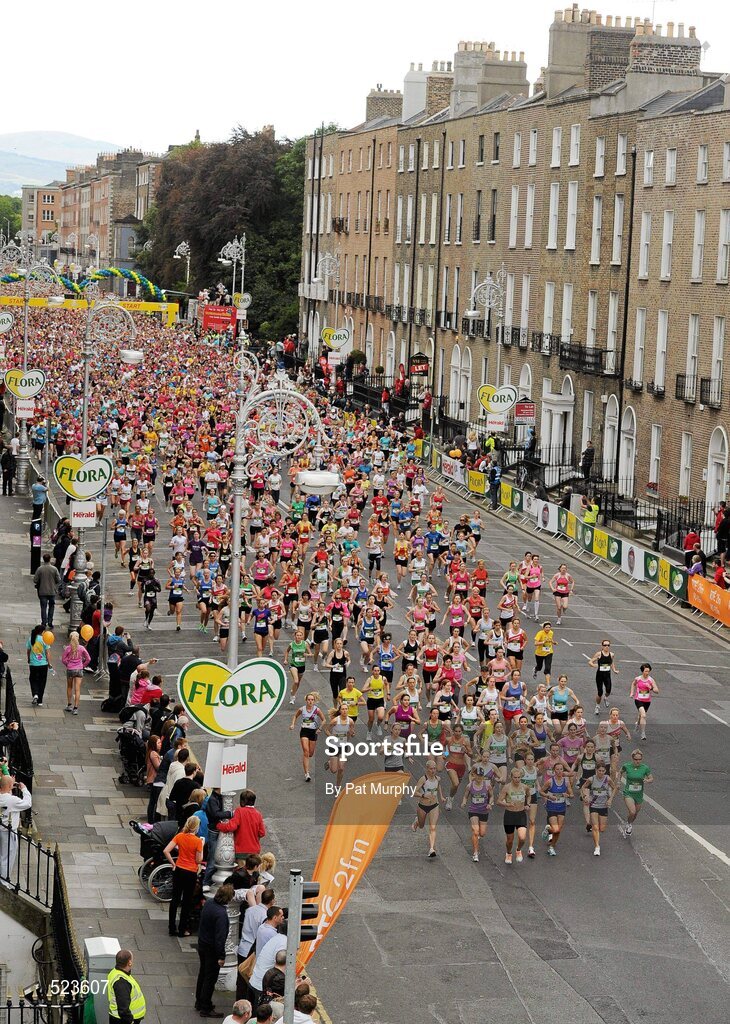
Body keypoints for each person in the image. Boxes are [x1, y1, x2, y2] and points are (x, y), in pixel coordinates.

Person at [196, 884, 235, 1018]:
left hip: (202, 944)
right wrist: (221, 956)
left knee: (203, 973)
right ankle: (205, 1008)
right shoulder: (221, 914)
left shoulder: (209, 903)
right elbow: (220, 938)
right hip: (212, 949)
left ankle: (199, 1001)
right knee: (210, 978)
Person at [164, 815, 204, 937]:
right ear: (196, 827)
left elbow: (166, 850)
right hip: (190, 872)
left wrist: (173, 863)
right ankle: (182, 930)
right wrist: (201, 849)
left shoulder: (179, 836)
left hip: (179, 869)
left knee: (175, 900)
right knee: (186, 902)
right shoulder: (198, 841)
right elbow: (198, 860)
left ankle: (171, 928)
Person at [218, 789, 266, 862]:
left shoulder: (239, 811)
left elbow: (231, 827)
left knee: (242, 871)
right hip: (254, 851)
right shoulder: (258, 814)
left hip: (241, 850)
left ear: (243, 802)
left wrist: (219, 825)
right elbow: (262, 833)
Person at [0, 775, 33, 881]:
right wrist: (24, 789)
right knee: (7, 858)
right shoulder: (12, 800)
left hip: (2, 828)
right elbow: (28, 803)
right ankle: (4, 883)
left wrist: (9, 786)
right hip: (8, 833)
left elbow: (4, 793)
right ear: (10, 786)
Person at [107, 949, 146, 1024]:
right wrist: (130, 1021)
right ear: (129, 963)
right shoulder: (121, 983)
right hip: (123, 1020)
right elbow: (123, 1009)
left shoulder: (116, 972)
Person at [620, 749, 653, 836]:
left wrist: (647, 780)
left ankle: (629, 822)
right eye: (636, 759)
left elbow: (651, 778)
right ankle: (629, 825)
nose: (638, 761)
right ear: (632, 758)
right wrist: (618, 782)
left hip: (638, 794)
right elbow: (620, 772)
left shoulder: (645, 768)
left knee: (635, 814)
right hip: (628, 793)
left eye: (639, 759)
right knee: (632, 812)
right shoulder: (627, 766)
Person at [61, 631, 91, 715]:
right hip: (79, 670)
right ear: (78, 638)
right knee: (77, 689)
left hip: (70, 669)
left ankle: (69, 705)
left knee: (69, 687)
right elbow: (88, 658)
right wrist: (83, 665)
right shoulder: (81, 648)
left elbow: (63, 659)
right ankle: (76, 708)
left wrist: (68, 664)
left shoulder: (68, 648)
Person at [26, 624, 53, 706]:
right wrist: (49, 663)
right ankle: (40, 700)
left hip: (33, 664)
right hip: (43, 664)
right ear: (42, 632)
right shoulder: (45, 640)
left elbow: (28, 651)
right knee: (42, 681)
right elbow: (48, 652)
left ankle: (35, 693)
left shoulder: (31, 639)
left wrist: (29, 659)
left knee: (33, 679)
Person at [33, 553, 61, 630]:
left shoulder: (40, 569)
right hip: (52, 591)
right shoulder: (54, 569)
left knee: (43, 607)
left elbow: (35, 580)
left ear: (43, 559)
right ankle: (50, 621)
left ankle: (43, 622)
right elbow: (59, 580)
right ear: (50, 559)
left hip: (42, 591)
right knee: (51, 606)